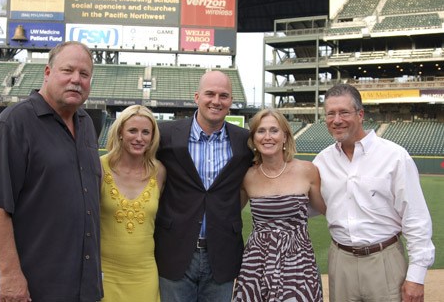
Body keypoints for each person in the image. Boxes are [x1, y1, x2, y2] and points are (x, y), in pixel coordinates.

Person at [0, 41, 103, 301]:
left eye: (84, 74)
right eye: (67, 71)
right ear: (47, 73)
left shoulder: (86, 123)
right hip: (35, 286)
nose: (76, 80)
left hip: (82, 285)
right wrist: (10, 276)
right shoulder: (13, 124)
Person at [313, 84, 435, 302]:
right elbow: (307, 206)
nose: (336, 119)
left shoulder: (394, 156)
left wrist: (416, 277)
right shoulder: (322, 161)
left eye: (344, 112)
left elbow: (415, 218)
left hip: (384, 260)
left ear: (360, 115)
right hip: (340, 261)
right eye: (330, 113)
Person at [154, 70, 253, 301]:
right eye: (210, 94)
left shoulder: (245, 141)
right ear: (196, 97)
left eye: (224, 95)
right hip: (174, 251)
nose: (216, 101)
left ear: (231, 101)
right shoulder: (166, 135)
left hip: (222, 253)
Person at [233, 108, 326, 301]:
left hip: (298, 261)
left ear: (285, 136)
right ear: (254, 139)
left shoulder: (307, 170)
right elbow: (230, 212)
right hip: (256, 263)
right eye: (261, 131)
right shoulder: (247, 176)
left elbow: (325, 209)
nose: (268, 137)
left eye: (274, 130)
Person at [100, 105, 166, 301]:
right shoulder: (100, 167)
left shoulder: (159, 172)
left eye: (146, 132)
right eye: (132, 130)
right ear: (120, 132)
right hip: (105, 273)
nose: (139, 138)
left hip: (144, 274)